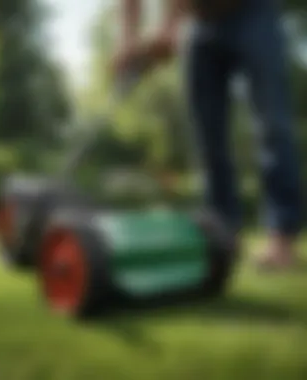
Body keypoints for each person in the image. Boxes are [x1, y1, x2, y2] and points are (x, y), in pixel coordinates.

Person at [113, 0, 303, 270]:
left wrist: (168, 27)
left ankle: (282, 237)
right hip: (200, 22)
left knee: (272, 125)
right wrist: (127, 41)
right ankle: (223, 237)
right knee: (207, 136)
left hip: (253, 11)